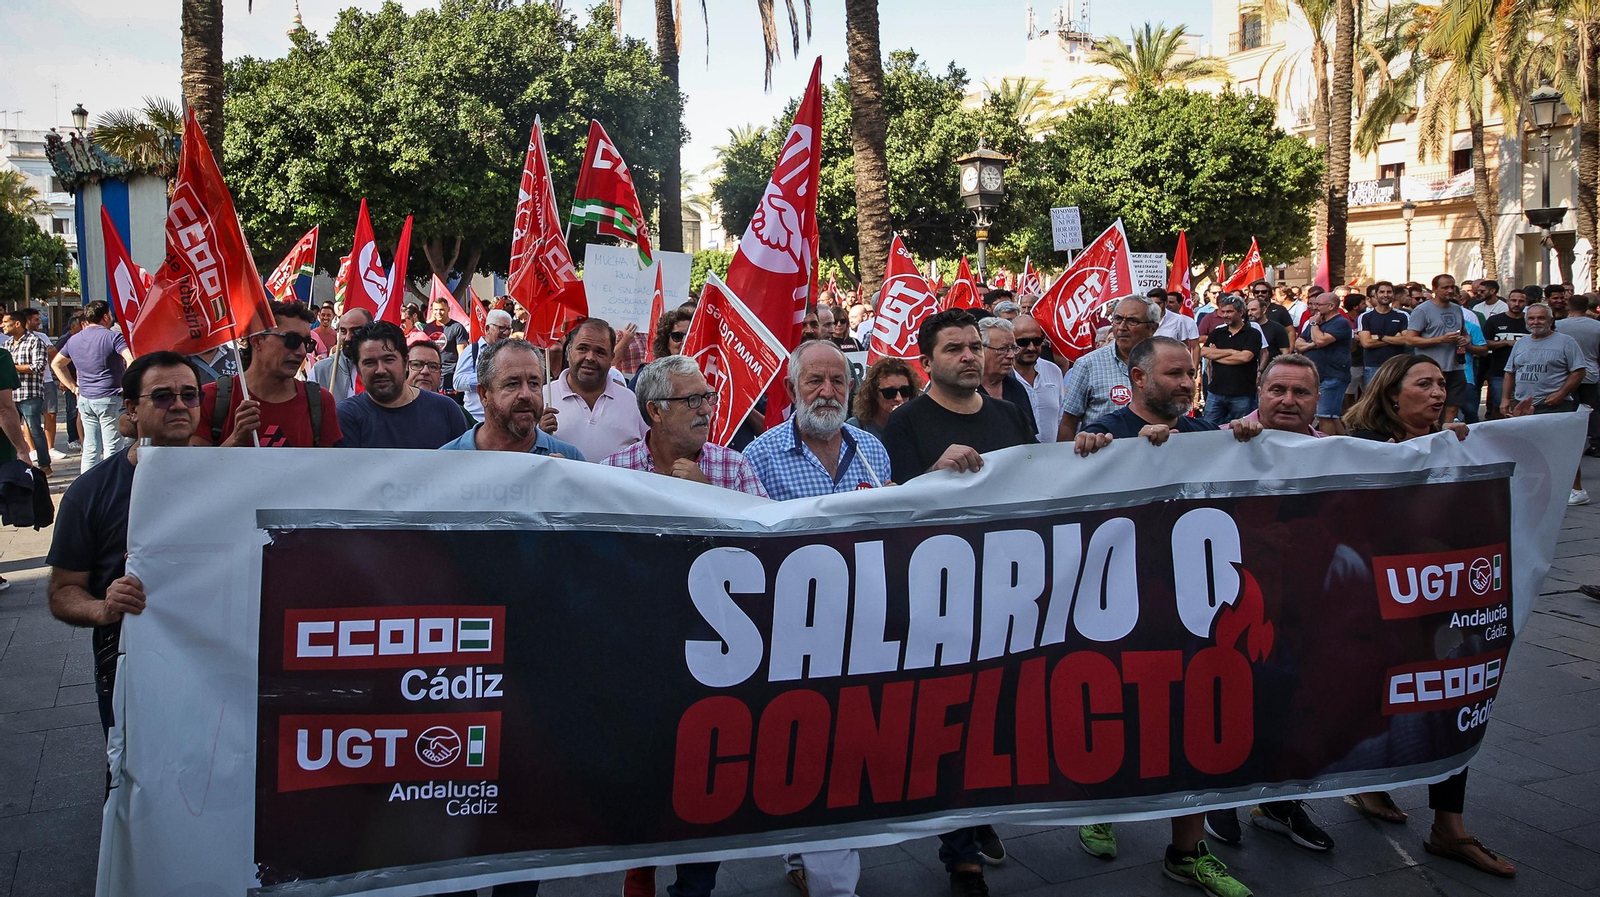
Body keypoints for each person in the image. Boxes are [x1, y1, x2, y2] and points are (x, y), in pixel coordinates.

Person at [1069, 336, 1258, 897]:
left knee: (1193, 721)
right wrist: (1098, 450)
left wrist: (1247, 441)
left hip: (1195, 610)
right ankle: (1101, 808)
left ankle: (1186, 850)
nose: (1186, 383)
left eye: (1191, 374)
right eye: (1174, 373)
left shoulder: (1205, 437)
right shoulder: (1104, 432)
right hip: (1122, 608)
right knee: (1119, 709)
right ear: (1139, 378)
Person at [1338, 355, 1509, 878]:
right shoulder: (1360, 443)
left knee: (1456, 694)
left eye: (1441, 384)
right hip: (1379, 598)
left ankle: (1449, 826)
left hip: (1443, 596)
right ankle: (1369, 785)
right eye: (1425, 384)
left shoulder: (1457, 441)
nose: (1439, 393)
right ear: (1393, 395)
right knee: (1377, 694)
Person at [47, 352, 203, 740]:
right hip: (132, 666)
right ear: (132, 408)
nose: (180, 405)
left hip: (220, 661)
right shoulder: (90, 493)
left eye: (190, 395)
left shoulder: (230, 480)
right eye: (163, 396)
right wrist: (103, 608)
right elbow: (63, 590)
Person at [885, 309, 1037, 484]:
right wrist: (935, 473)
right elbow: (901, 499)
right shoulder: (904, 423)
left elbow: (1040, 472)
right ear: (927, 363)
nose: (969, 357)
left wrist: (1074, 451)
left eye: (975, 347)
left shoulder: (1011, 414)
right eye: (953, 349)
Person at [745, 339, 891, 498]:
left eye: (837, 381)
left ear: (849, 389)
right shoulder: (759, 458)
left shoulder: (872, 450)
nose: (828, 393)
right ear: (793, 390)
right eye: (816, 381)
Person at [603, 355, 765, 496]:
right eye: (692, 400)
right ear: (656, 411)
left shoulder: (734, 467)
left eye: (707, 397)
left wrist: (709, 494)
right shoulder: (615, 471)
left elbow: (760, 528)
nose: (706, 410)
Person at [197, 301, 343, 448]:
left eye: (307, 343)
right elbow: (199, 469)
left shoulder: (321, 402)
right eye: (291, 340)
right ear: (257, 342)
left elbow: (328, 468)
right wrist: (235, 440)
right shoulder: (209, 399)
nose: (302, 351)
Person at [333, 322, 471, 449]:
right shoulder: (346, 416)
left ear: (405, 362)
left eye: (389, 360)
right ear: (358, 368)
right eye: (369, 363)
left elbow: (465, 466)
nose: (380, 370)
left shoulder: (446, 410)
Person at [440, 338, 583, 459]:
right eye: (512, 384)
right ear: (484, 394)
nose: (526, 395)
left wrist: (570, 486)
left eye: (534, 384)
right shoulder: (446, 461)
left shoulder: (569, 459)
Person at [1504, 303, 1589, 505]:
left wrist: (1561, 394)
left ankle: (1577, 490)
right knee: (1526, 448)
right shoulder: (1521, 343)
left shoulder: (1566, 342)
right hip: (1523, 405)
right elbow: (1510, 372)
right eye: (1531, 319)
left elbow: (1579, 371)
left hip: (1555, 405)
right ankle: (1535, 488)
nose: (1536, 322)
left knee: (1563, 448)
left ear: (1551, 320)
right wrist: (1505, 398)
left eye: (1541, 318)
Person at [542, 318, 648, 462]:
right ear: (568, 352)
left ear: (612, 358)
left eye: (600, 352)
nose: (590, 358)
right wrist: (538, 434)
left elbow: (650, 454)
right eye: (583, 348)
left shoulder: (632, 402)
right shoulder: (542, 397)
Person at [1058, 294, 1161, 438]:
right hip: (1100, 457)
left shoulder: (1166, 363)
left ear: (1152, 327)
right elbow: (1068, 423)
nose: (1122, 327)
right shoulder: (1088, 364)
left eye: (1132, 321)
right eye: (1117, 319)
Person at [52, 300, 134, 473]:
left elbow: (57, 364)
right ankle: (110, 485)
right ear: (105, 317)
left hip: (85, 397)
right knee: (113, 447)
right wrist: (128, 385)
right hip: (110, 397)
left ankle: (87, 485)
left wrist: (73, 387)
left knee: (91, 447)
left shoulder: (74, 340)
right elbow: (130, 359)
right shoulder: (113, 336)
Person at [1401, 274, 1470, 423]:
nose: (1450, 291)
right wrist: (1440, 339)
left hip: (1456, 366)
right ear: (1435, 289)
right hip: (1431, 368)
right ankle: (1431, 435)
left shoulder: (1457, 309)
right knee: (1430, 407)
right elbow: (1410, 339)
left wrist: (1464, 341)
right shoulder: (1422, 310)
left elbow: (1466, 334)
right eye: (1445, 287)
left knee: (1453, 406)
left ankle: (1448, 437)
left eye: (1452, 287)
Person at [1293, 290, 1354, 435]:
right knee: (1331, 416)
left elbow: (1321, 340)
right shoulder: (1317, 322)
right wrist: (1311, 345)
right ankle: (1344, 444)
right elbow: (1299, 343)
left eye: (1319, 305)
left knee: (1325, 415)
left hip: (1334, 375)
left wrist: (1314, 324)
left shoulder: (1340, 323)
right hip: (1318, 375)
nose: (1315, 308)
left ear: (1331, 306)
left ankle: (1328, 448)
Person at [1200, 295, 1263, 424]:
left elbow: (1245, 357)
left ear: (1241, 312)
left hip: (1242, 393)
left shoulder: (1253, 333)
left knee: (1241, 431)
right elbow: (1204, 352)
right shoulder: (1217, 332)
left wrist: (1217, 355)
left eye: (1229, 312)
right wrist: (1231, 352)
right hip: (1216, 391)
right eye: (1223, 312)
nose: (1225, 315)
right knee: (1208, 429)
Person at [4, 310, 51, 474]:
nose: (2, 325)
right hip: (10, 395)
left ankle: (44, 465)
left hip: (30, 393)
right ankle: (15, 463)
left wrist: (11, 367)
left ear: (17, 323)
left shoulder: (35, 342)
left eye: (5, 322)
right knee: (10, 429)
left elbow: (38, 367)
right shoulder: (7, 344)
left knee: (34, 429)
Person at [976, 317, 1039, 436]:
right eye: (1003, 349)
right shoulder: (964, 390)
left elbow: (1029, 439)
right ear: (980, 349)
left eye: (1013, 348)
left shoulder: (1016, 388)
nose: (1010, 355)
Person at [1556, 292, 1600, 455]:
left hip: (1566, 375)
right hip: (1590, 373)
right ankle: (1596, 443)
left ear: (1568, 306)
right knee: (1593, 409)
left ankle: (1570, 442)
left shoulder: (1559, 326)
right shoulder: (1596, 326)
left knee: (1569, 409)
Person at [455, 309, 516, 422]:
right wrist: (486, 377)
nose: (506, 333)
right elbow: (458, 382)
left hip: (503, 421)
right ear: (488, 329)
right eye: (501, 328)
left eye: (508, 329)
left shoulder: (511, 352)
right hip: (475, 420)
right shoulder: (472, 351)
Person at [1010, 315, 1064, 442]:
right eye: (1023, 342)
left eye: (1037, 341)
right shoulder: (1002, 376)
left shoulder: (1053, 371)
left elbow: (1061, 417)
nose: (1031, 348)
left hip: (1052, 457)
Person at [848, 357, 922, 443]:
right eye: (890, 392)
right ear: (874, 393)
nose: (899, 398)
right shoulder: (854, 428)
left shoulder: (919, 428)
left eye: (905, 391)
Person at [1482, 288, 1529, 420]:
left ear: (1526, 303)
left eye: (1521, 301)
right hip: (1499, 371)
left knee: (1522, 407)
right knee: (1499, 405)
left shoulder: (1530, 322)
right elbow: (1484, 343)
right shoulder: (1495, 320)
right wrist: (1505, 343)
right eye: (1513, 300)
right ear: (1507, 301)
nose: (1517, 304)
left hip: (1525, 372)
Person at [310, 307, 374, 401]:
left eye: (355, 331)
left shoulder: (382, 368)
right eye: (343, 331)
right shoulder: (321, 370)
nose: (347, 338)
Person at [1357, 281, 1411, 390]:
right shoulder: (1365, 317)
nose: (1385, 295)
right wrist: (1395, 338)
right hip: (1373, 366)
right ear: (1376, 295)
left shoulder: (1403, 316)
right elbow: (1366, 343)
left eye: (1389, 292)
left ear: (1393, 295)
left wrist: (1380, 337)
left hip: (1397, 365)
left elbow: (1407, 340)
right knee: (1372, 401)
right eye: (1382, 292)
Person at [54, 313, 84, 452]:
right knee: (72, 411)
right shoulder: (66, 340)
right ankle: (73, 438)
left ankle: (81, 438)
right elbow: (56, 361)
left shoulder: (81, 339)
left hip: (78, 380)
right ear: (72, 327)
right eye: (80, 325)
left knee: (78, 412)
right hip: (71, 381)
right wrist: (64, 380)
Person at [428, 296, 471, 389]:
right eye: (435, 310)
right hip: (432, 372)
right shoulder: (427, 328)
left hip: (450, 373)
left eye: (441, 309)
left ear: (448, 309)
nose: (438, 312)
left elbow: (462, 354)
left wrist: (460, 374)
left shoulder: (457, 327)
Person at [1152, 288, 1201, 365]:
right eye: (1151, 304)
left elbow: (1188, 347)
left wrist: (1192, 369)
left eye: (1158, 303)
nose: (1154, 307)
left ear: (1165, 303)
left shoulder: (1180, 320)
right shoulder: (1143, 319)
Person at [1247, 297, 1291, 367]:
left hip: (1272, 369)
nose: (1249, 313)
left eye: (1253, 310)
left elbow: (1285, 351)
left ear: (1264, 310)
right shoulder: (1246, 328)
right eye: (1248, 310)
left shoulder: (1278, 328)